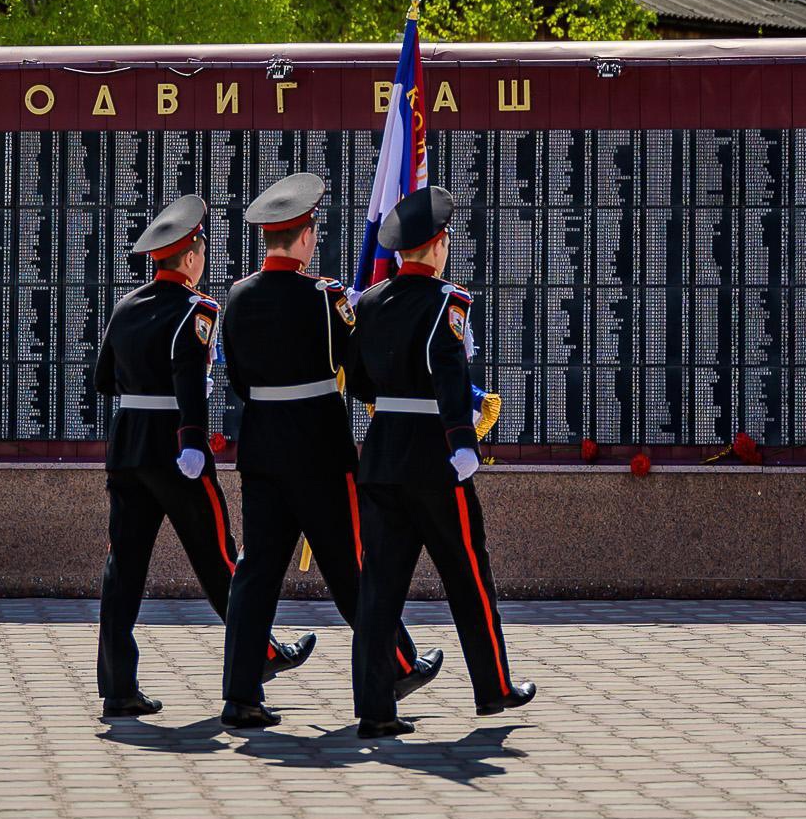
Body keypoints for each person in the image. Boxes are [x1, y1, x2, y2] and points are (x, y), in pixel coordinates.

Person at [215, 172, 441, 729]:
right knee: (354, 569)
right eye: (314, 231)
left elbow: (238, 379)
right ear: (306, 236)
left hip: (262, 446)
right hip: (319, 449)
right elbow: (358, 367)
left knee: (256, 571)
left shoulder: (236, 298)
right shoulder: (326, 298)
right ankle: (395, 664)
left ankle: (240, 695)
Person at [92, 193, 312, 718]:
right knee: (220, 560)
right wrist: (193, 436)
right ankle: (258, 654)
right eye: (203, 255)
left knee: (123, 568)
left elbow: (102, 379)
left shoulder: (125, 308)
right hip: (175, 448)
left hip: (127, 448)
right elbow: (189, 379)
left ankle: (117, 686)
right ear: (190, 258)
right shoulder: (197, 309)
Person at [348, 185, 535, 737]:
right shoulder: (445, 303)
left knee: (380, 586)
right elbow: (449, 373)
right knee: (468, 574)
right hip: (432, 456)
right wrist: (461, 441)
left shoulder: (370, 303)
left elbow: (358, 382)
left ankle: (375, 707)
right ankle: (493, 687)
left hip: (381, 454)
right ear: (438, 245)